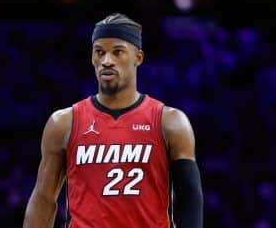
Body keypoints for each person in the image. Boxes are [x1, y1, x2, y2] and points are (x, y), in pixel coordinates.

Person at [22, 13, 203, 228]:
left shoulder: (170, 122)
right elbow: (43, 199)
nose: (107, 61)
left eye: (118, 52)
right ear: (92, 57)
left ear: (138, 57)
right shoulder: (63, 123)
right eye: (100, 52)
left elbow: (190, 200)